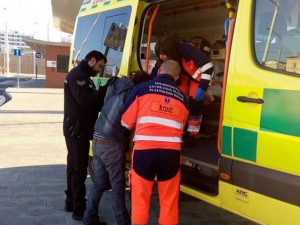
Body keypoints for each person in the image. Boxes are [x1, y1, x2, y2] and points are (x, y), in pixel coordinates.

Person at [121, 60, 189, 225]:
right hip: (171, 153)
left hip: (145, 152)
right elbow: (183, 128)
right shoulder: (183, 99)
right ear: (177, 77)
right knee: (169, 203)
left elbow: (125, 122)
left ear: (158, 71)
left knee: (140, 201)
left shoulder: (141, 89)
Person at [83, 72, 151, 225]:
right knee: (118, 186)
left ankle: (89, 218)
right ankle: (123, 222)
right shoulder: (132, 96)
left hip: (97, 139)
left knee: (100, 183)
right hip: (111, 143)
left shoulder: (117, 88)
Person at [63, 50, 108, 220]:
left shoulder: (83, 76)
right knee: (79, 170)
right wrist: (104, 91)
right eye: (99, 66)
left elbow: (89, 103)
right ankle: (79, 209)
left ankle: (71, 201)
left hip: (78, 130)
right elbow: (85, 101)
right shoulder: (78, 76)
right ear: (92, 60)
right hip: (77, 131)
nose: (99, 70)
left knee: (73, 168)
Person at [151, 36, 214, 138]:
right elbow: (156, 71)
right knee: (177, 101)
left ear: (170, 51)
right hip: (183, 76)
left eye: (163, 54)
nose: (161, 57)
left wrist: (202, 87)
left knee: (195, 104)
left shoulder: (187, 50)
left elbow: (209, 66)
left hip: (198, 78)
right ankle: (178, 129)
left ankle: (193, 134)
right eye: (159, 54)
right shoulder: (164, 57)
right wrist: (150, 84)